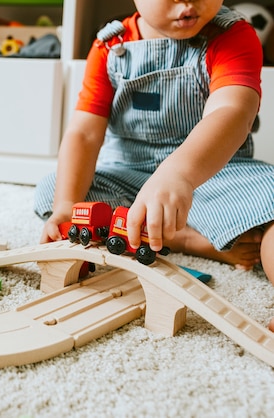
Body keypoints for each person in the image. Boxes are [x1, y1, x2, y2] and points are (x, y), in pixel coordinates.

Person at [34, 2, 274, 294]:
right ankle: (182, 238)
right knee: (54, 189)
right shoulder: (110, 48)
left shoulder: (232, 35)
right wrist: (66, 207)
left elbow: (233, 112)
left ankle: (166, 228)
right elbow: (84, 134)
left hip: (217, 174)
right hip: (131, 176)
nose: (189, 2)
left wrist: (179, 174)